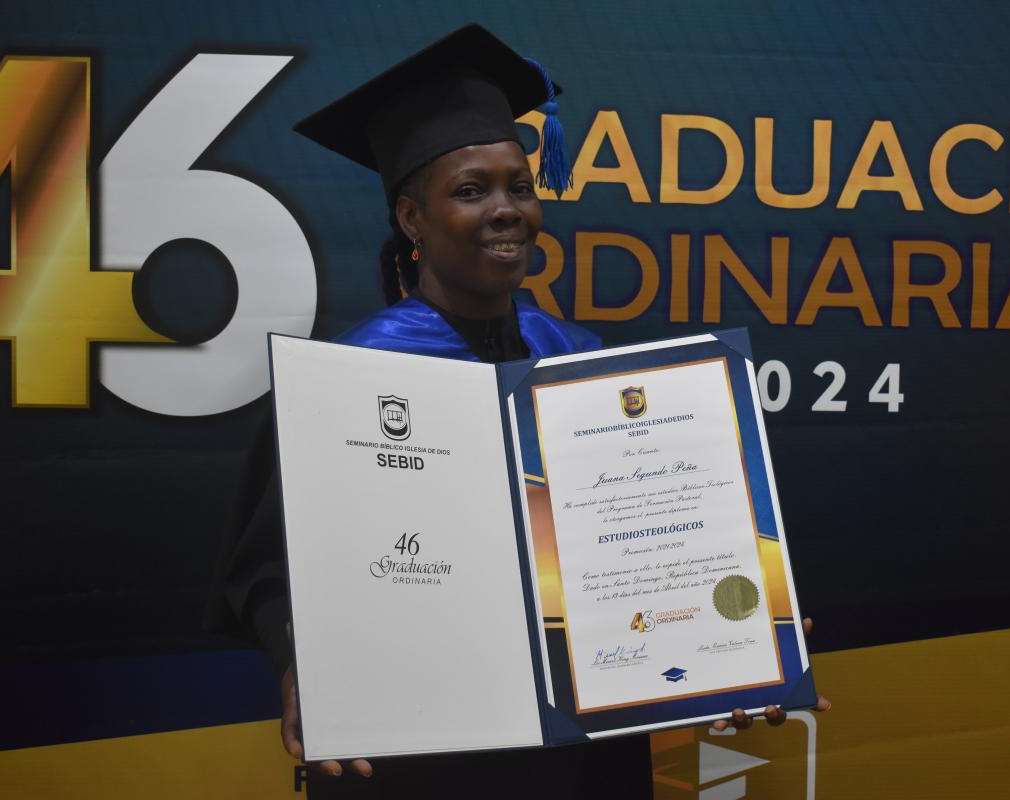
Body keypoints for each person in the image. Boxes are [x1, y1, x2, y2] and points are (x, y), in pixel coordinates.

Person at [206, 23, 820, 799]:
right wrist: (300, 663)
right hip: (420, 754)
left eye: (520, 186)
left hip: (582, 751)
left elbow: (655, 548)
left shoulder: (581, 362)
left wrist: (738, 654)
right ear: (411, 219)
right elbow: (263, 569)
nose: (506, 210)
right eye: (471, 191)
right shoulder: (349, 379)